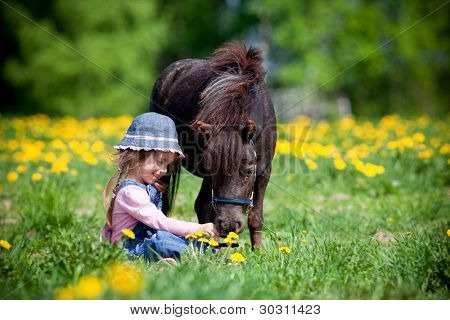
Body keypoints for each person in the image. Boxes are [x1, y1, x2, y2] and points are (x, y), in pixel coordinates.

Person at [101, 112, 217, 264]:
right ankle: (199, 256)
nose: (164, 170)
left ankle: (203, 255)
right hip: (131, 251)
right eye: (160, 161)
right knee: (162, 240)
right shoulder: (130, 192)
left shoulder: (147, 187)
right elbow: (159, 221)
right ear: (137, 154)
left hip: (145, 243)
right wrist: (198, 228)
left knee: (171, 238)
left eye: (167, 165)